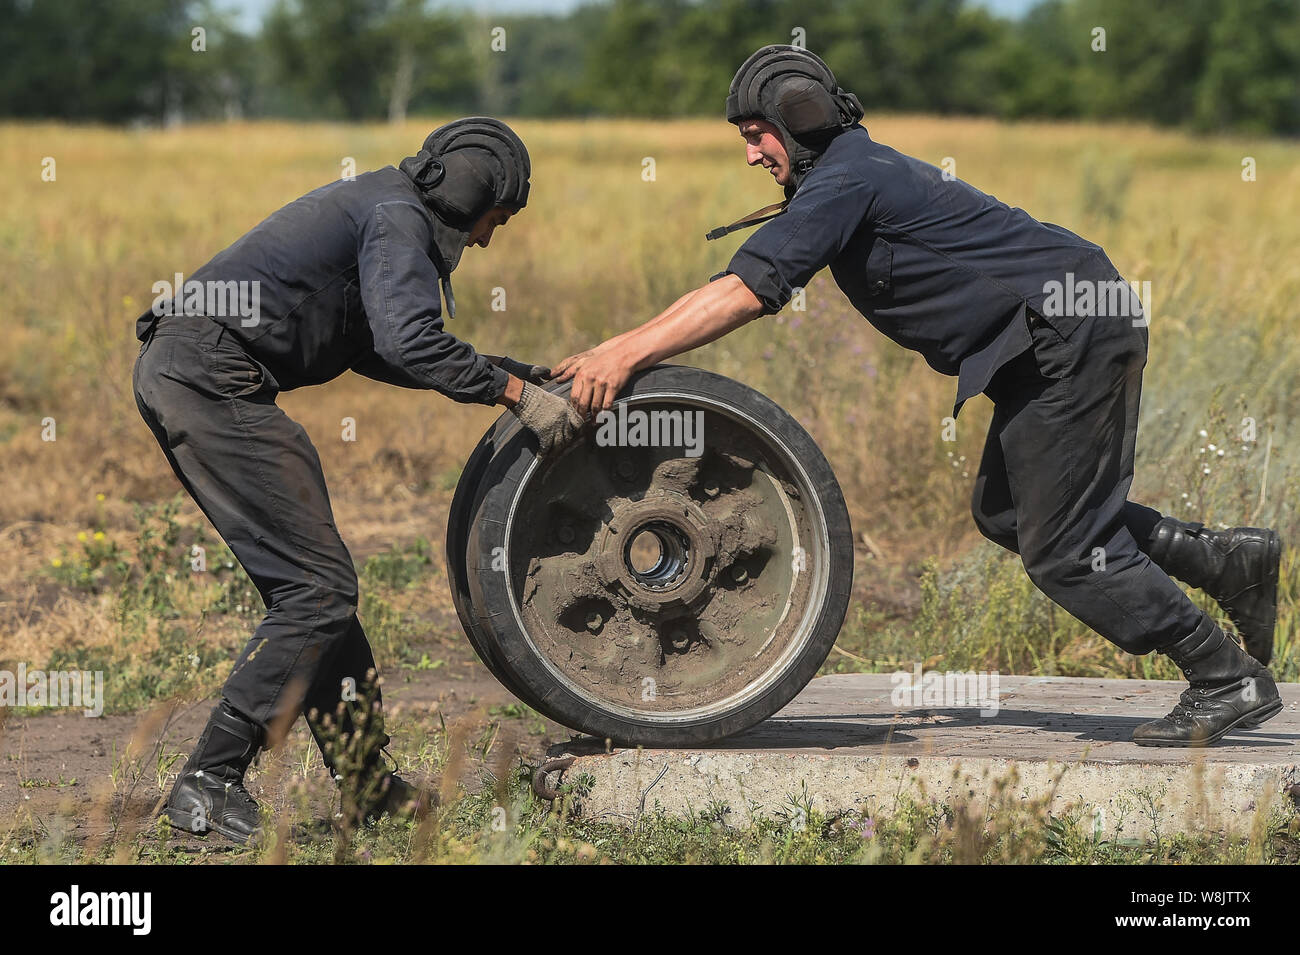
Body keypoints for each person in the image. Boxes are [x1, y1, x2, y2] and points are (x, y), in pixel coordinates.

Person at [553, 46, 1282, 747]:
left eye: (755, 135)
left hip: (1071, 331)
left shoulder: (845, 178)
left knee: (1061, 547)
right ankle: (1223, 562)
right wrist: (618, 349)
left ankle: (1222, 676)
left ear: (799, 119)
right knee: (1008, 512)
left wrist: (622, 353)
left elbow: (747, 290)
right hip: (1056, 334)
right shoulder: (846, 171)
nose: (750, 154)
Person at [133, 117, 581, 844]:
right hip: (209, 377)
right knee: (317, 589)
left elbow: (385, 347)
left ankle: (366, 786)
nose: (486, 240)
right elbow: (410, 339)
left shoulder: (384, 204)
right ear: (470, 194)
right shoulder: (398, 216)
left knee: (317, 586)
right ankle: (207, 785)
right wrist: (518, 399)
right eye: (494, 222)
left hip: (195, 369)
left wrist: (522, 376)